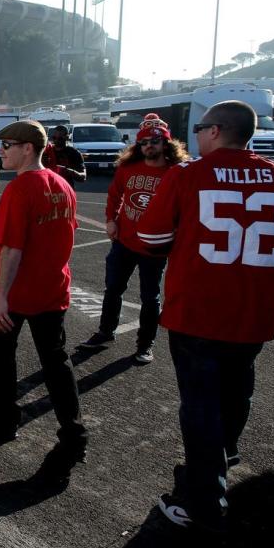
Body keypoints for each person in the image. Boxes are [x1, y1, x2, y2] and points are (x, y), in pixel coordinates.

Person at [137, 101, 274, 533]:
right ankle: (224, 454)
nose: (197, 134)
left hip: (197, 311)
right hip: (253, 311)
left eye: (201, 127)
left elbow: (150, 237)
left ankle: (202, 501)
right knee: (237, 388)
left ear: (217, 130)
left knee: (200, 406)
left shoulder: (187, 176)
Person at [0, 120, 88, 477]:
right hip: (52, 287)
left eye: (7, 145)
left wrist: (2, 298)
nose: (1, 151)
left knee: (2, 354)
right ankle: (74, 432)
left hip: (18, 290)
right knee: (56, 362)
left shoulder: (21, 188)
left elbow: (12, 249)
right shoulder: (62, 185)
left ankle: (4, 417)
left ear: (28, 148)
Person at [77, 114, 189, 363]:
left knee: (150, 297)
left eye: (154, 141)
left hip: (155, 247)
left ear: (166, 143)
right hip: (125, 242)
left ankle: (145, 344)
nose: (149, 145)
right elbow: (115, 195)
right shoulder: (128, 168)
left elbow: (186, 208)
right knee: (113, 289)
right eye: (144, 142)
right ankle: (106, 332)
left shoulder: (176, 173)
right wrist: (110, 220)